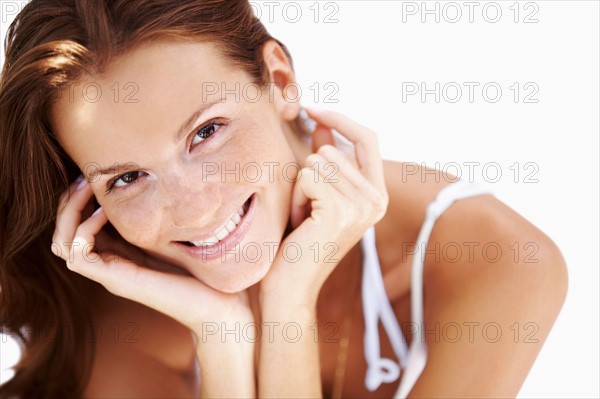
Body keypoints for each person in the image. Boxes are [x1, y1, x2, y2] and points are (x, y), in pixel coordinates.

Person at [0, 0, 568, 398]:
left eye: (206, 132)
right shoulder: (119, 312)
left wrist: (290, 296)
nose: (195, 209)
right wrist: (223, 339)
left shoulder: (496, 260)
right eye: (126, 178)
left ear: (280, 81)